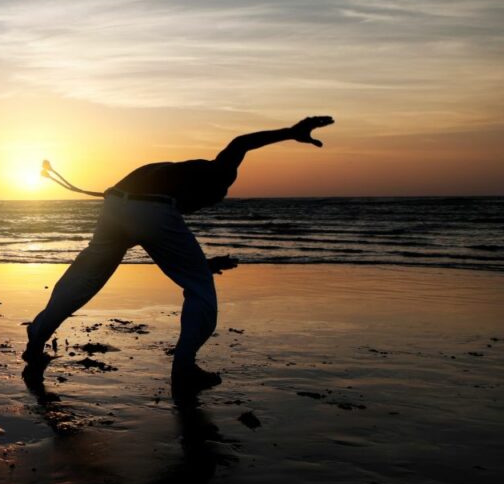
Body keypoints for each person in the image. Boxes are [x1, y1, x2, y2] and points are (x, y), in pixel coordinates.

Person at [23, 116, 334, 396]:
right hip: (147, 205)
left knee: (84, 278)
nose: (200, 208)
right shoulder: (220, 174)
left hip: (114, 204)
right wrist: (292, 132)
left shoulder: (179, 173)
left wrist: (197, 264)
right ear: (216, 192)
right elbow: (242, 143)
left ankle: (37, 339)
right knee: (200, 290)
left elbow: (153, 240)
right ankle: (184, 369)